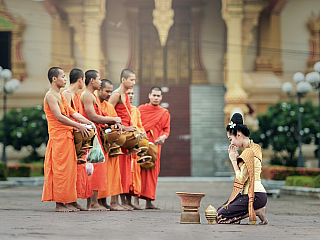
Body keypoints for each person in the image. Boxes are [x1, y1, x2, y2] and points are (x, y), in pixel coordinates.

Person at [42, 67, 94, 212]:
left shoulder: (60, 95)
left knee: (70, 171)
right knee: (60, 171)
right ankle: (60, 204)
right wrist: (79, 126)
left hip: (67, 137)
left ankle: (70, 201)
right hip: (58, 139)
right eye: (63, 77)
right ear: (54, 79)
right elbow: (59, 117)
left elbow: (72, 113)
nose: (65, 79)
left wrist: (89, 123)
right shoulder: (51, 96)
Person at [80, 70, 122, 211]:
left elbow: (100, 116)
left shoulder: (92, 96)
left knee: (96, 169)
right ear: (92, 81)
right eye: (98, 80)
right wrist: (113, 119)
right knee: (94, 168)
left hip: (97, 136)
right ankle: (92, 203)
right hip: (91, 137)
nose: (100, 82)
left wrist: (112, 123)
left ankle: (93, 202)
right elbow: (93, 117)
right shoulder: (87, 95)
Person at [216, 113, 268, 225]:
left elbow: (241, 178)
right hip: (254, 194)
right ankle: (254, 211)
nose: (231, 143)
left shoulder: (249, 152)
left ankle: (256, 211)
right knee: (219, 211)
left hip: (255, 195)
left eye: (231, 139)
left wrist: (233, 160)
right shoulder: (254, 148)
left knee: (221, 214)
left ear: (239, 135)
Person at [62, 68, 93, 211]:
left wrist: (87, 124)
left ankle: (73, 200)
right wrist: (79, 126)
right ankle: (67, 201)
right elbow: (66, 116)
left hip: (77, 135)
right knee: (68, 171)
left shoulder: (76, 95)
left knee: (77, 171)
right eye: (83, 79)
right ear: (80, 80)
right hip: (68, 136)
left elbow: (76, 114)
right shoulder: (66, 95)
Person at [108, 69, 137, 210]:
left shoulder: (125, 95)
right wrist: (124, 128)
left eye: (134, 80)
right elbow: (107, 114)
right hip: (118, 136)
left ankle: (119, 201)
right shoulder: (116, 95)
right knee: (116, 170)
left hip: (125, 138)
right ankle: (113, 202)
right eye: (131, 79)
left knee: (123, 171)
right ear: (123, 80)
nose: (134, 82)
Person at [138, 86, 170, 209]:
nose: (156, 98)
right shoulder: (141, 109)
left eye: (158, 96)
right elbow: (136, 124)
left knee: (153, 172)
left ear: (161, 97)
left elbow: (166, 130)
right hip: (142, 144)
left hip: (156, 145)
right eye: (154, 95)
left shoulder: (164, 112)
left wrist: (163, 137)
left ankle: (149, 201)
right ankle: (135, 201)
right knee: (139, 170)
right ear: (149, 96)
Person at [96, 79, 126, 211]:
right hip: (99, 143)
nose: (109, 94)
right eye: (107, 91)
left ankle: (111, 202)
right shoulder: (94, 103)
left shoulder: (108, 106)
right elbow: (94, 118)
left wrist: (118, 126)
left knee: (113, 174)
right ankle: (99, 202)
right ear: (99, 89)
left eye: (110, 91)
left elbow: (114, 120)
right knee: (100, 173)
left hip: (111, 144)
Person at [126, 88, 147, 210]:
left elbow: (139, 125)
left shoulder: (135, 110)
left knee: (136, 174)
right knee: (127, 173)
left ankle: (136, 201)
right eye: (128, 93)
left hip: (136, 145)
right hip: (126, 144)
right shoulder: (121, 108)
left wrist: (142, 132)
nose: (131, 96)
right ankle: (127, 201)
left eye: (133, 93)